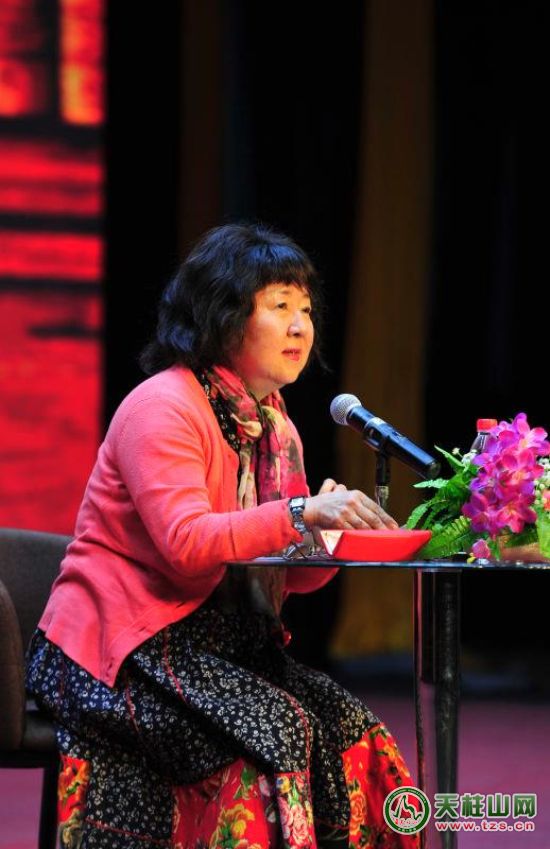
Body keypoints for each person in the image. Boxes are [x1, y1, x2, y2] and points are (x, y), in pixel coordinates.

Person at [26, 223, 418, 849]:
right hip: (121, 650)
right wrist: (300, 512)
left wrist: (329, 533)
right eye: (280, 306)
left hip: (217, 646)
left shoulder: (276, 427)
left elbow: (296, 577)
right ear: (225, 316)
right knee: (272, 731)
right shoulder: (163, 407)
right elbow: (186, 543)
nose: (300, 327)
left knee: (351, 731)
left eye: (306, 310)